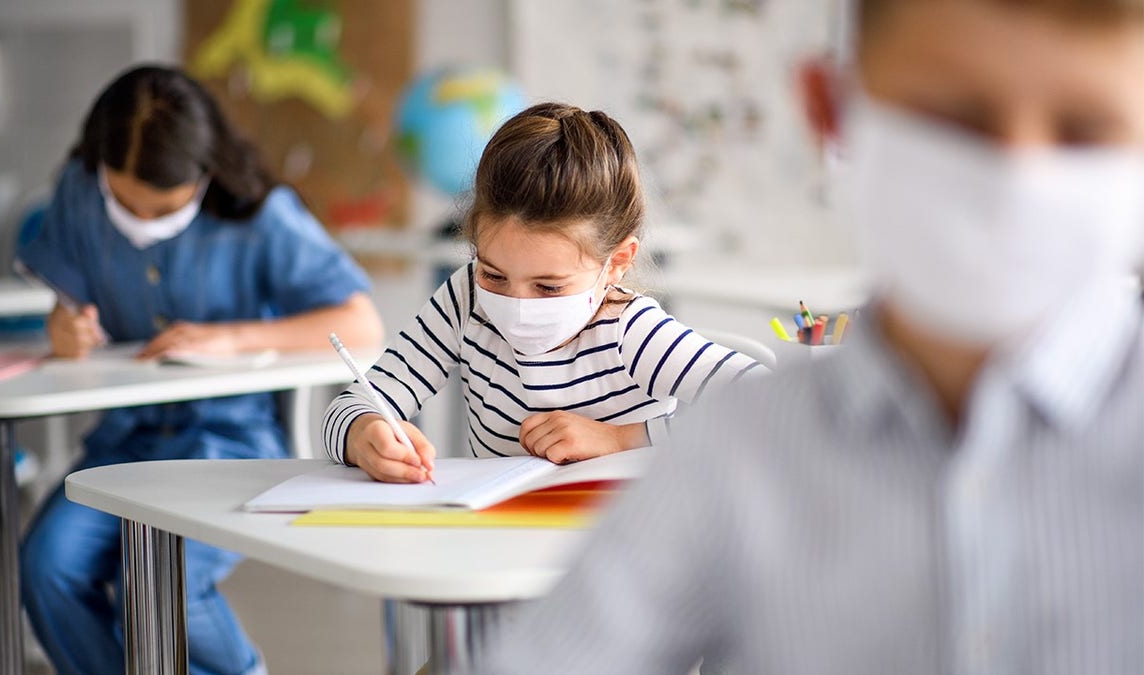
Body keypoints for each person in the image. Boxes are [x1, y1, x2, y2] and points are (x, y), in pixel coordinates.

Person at [484, 0, 1144, 672]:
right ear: (833, 110)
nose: (1016, 177)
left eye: (1086, 131)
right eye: (955, 119)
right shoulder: (734, 452)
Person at [17, 65, 382, 675]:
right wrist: (64, 328)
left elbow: (360, 322)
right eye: (123, 202)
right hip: (123, 444)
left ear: (204, 173)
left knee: (162, 581)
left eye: (161, 208)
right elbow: (66, 303)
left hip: (230, 443)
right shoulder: (79, 192)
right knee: (46, 566)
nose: (140, 221)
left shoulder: (260, 215)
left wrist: (235, 337)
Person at [322, 102, 765, 482]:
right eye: (494, 275)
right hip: (499, 546)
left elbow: (769, 406)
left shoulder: (630, 331)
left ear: (617, 262)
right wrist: (364, 432)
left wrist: (621, 438)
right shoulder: (464, 299)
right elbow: (354, 403)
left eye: (549, 287)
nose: (515, 305)